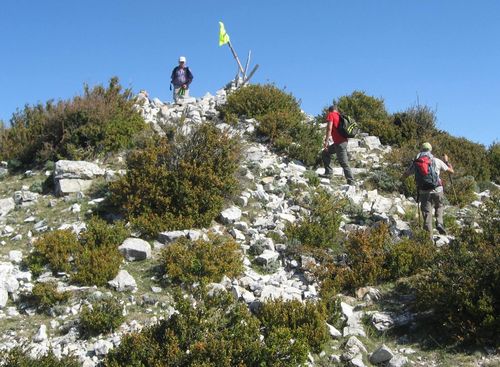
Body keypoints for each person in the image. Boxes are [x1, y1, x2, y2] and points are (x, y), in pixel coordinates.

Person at [402, 142, 454, 236]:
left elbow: (406, 174)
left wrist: (400, 180)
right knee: (439, 206)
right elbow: (451, 171)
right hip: (437, 189)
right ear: (430, 150)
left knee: (427, 214)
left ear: (421, 150)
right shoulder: (436, 160)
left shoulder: (417, 162)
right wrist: (446, 161)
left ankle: (429, 241)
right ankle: (439, 223)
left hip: (423, 191)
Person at [321, 105, 355, 185]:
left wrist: (326, 141)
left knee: (344, 162)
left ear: (330, 111)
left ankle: (351, 181)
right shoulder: (340, 116)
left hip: (340, 143)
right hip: (341, 142)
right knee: (325, 153)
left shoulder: (331, 115)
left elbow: (329, 128)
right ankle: (328, 173)